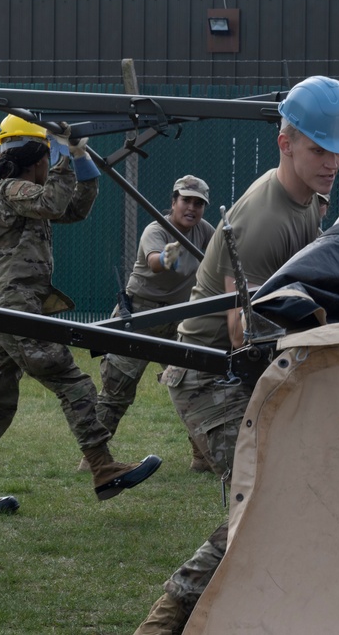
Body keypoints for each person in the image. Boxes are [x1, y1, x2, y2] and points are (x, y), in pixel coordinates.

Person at [135, 75, 339, 633]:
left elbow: (306, 264)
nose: (332, 162)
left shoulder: (307, 196)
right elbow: (246, 332)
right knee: (268, 500)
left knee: (298, 492)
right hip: (210, 375)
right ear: (285, 142)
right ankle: (168, 618)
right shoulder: (262, 218)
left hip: (242, 367)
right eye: (319, 149)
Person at [0, 115, 162, 513]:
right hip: (11, 302)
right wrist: (65, 153)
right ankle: (102, 465)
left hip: (7, 301)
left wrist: (77, 156)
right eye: (47, 156)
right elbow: (55, 201)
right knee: (69, 378)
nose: (50, 164)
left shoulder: (26, 193)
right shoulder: (11, 190)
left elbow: (75, 207)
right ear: (35, 157)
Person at [92, 175, 216, 473]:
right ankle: (95, 457)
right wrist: (167, 255)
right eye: (186, 200)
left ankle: (202, 457)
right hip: (141, 316)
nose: (192, 208)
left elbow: (220, 260)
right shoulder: (156, 229)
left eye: (199, 203)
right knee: (117, 388)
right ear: (174, 202)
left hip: (180, 318)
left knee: (194, 384)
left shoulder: (206, 232)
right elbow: (154, 261)